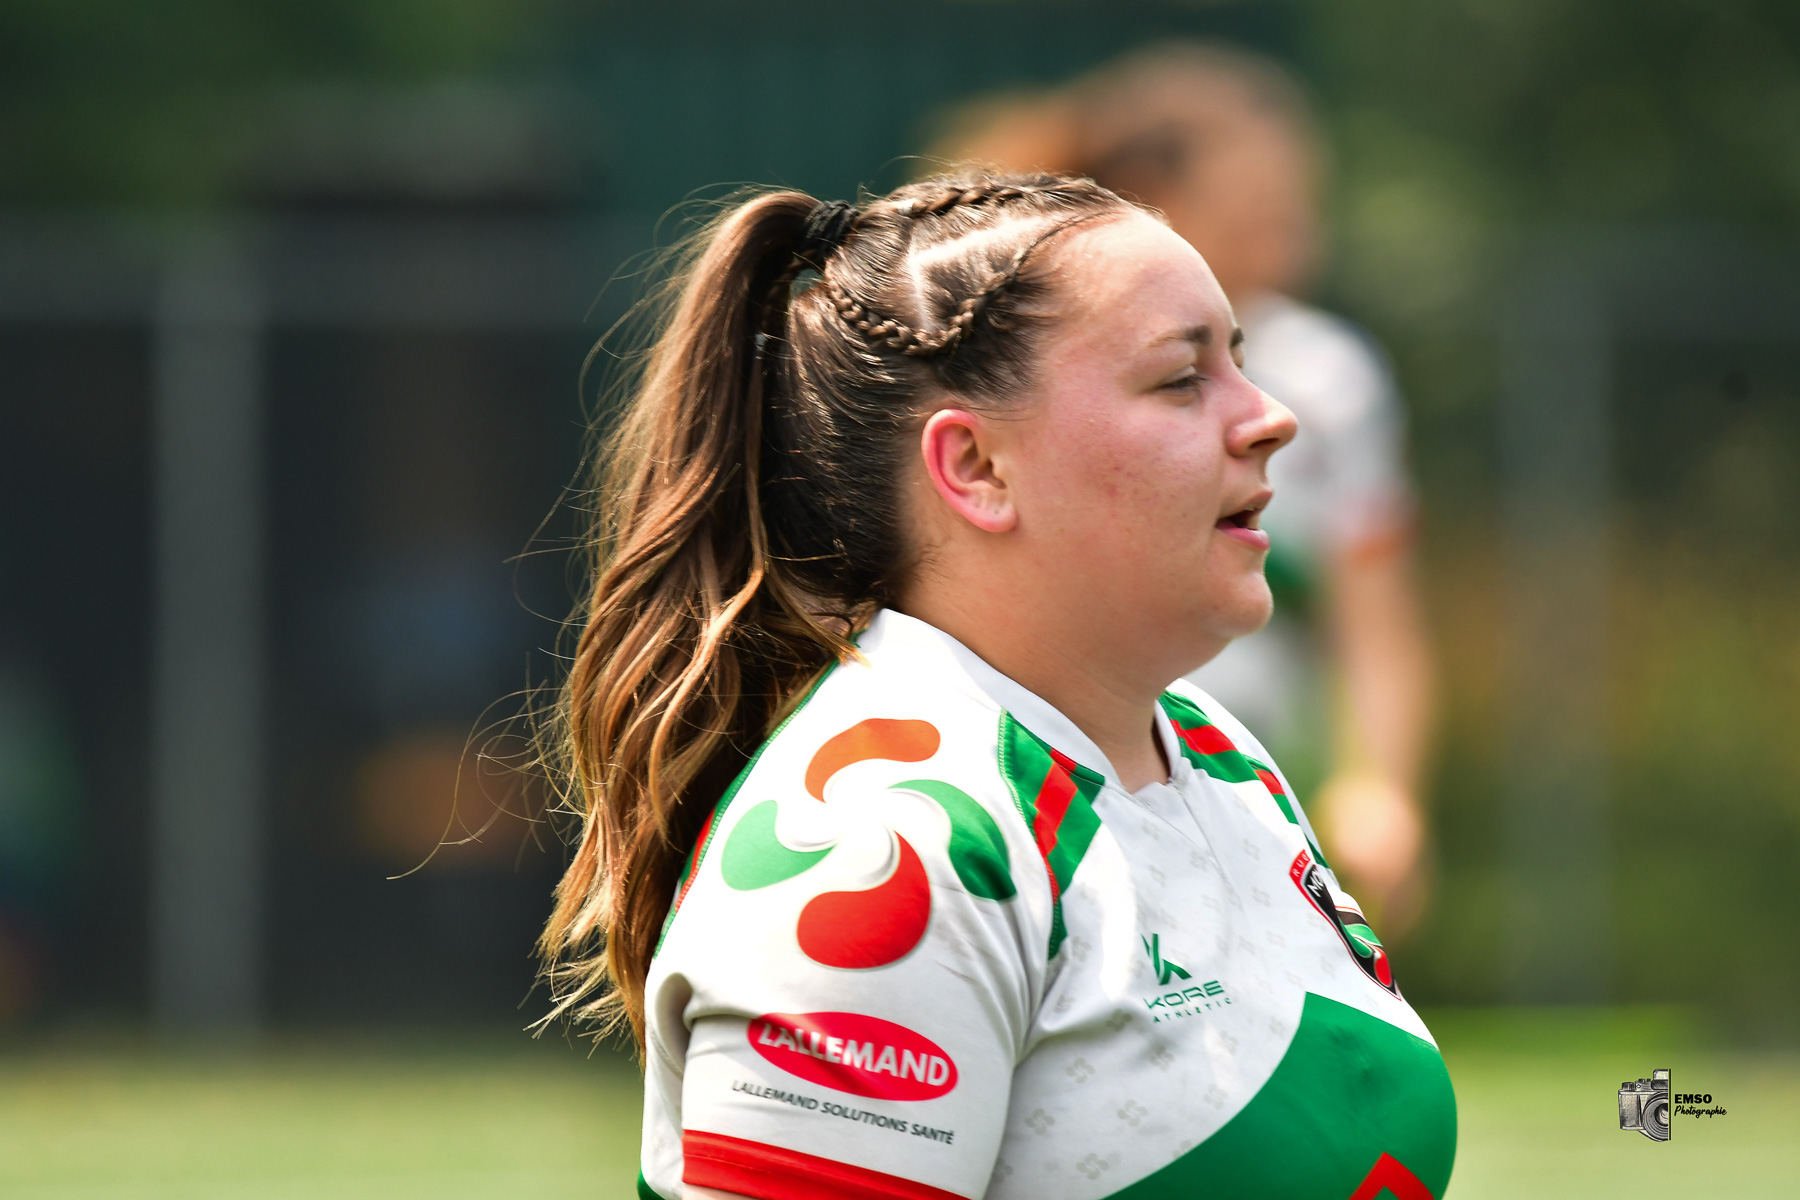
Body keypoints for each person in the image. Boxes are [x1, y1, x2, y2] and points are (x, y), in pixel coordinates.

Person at [540, 172, 1455, 1200]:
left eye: (1239, 362)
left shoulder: (1208, 747)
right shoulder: (886, 845)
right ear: (975, 467)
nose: (1272, 418)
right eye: (1180, 379)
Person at [934, 45, 1436, 938]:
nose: (1267, 424)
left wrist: (1382, 786)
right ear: (1150, 201)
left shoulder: (1332, 378)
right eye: (1178, 384)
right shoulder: (1030, 357)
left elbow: (1375, 620)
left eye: (1298, 198)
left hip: (1241, 784)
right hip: (1057, 766)